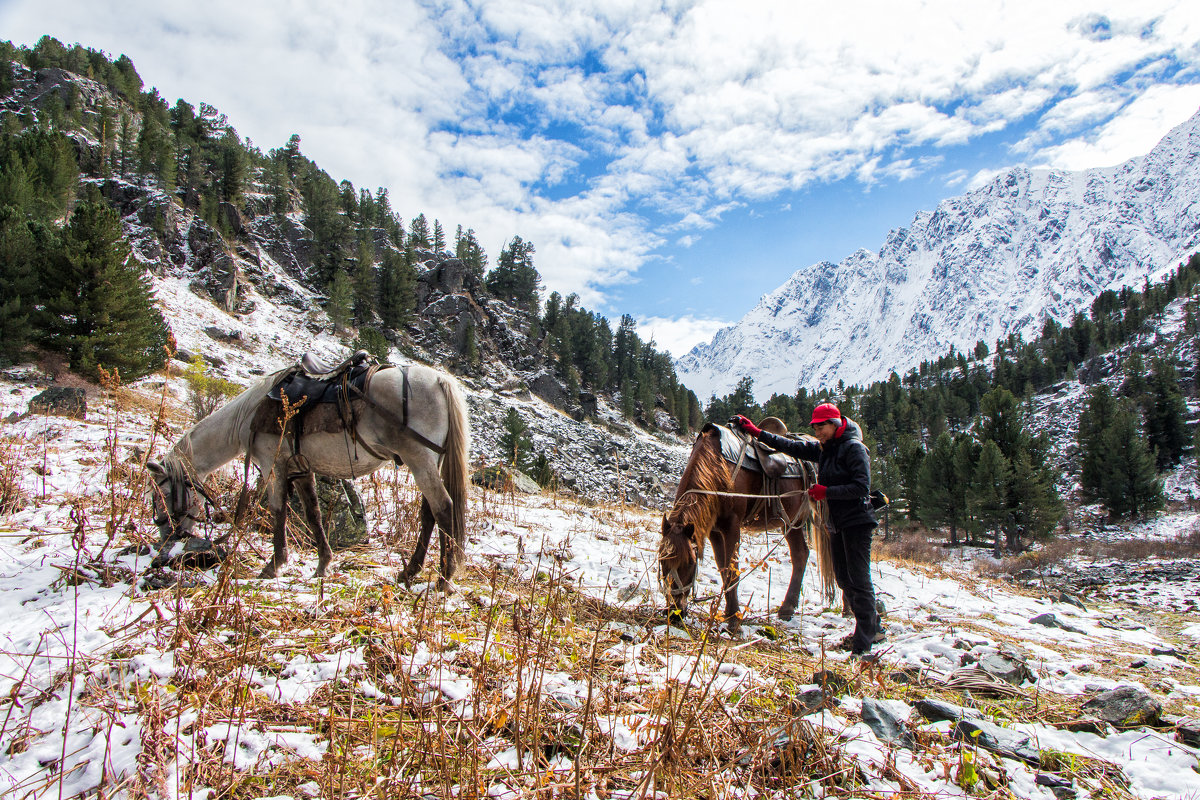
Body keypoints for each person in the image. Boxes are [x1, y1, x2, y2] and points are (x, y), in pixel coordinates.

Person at [730, 403, 882, 655]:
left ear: (834, 424)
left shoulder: (854, 449)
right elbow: (791, 446)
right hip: (837, 522)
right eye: (815, 427)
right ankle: (872, 624)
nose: (817, 432)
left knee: (859, 580)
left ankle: (863, 643)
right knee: (844, 578)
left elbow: (860, 488)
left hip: (857, 522)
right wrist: (756, 432)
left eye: (821, 427)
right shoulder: (827, 450)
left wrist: (826, 492)